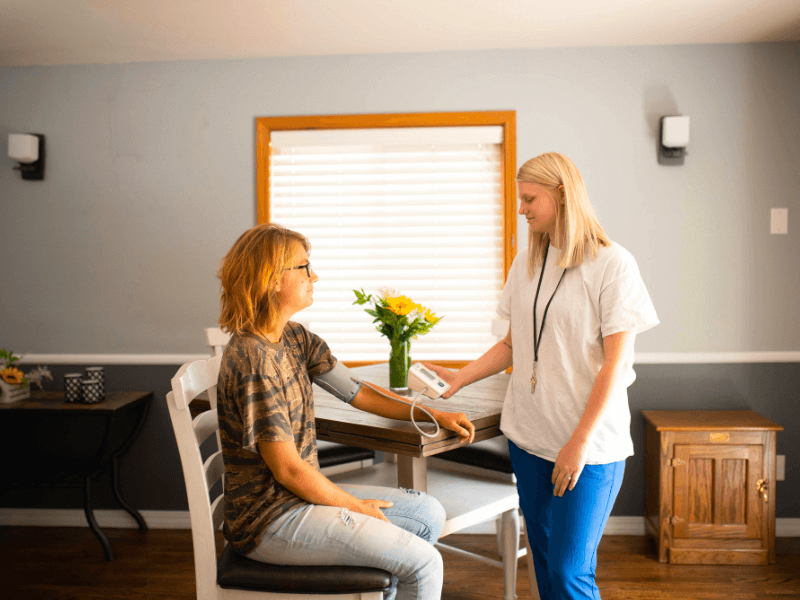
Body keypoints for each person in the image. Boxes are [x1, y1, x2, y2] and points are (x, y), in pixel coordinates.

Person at [424, 152, 659, 600]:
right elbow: (513, 344)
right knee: (547, 564)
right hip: (529, 437)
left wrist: (578, 442)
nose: (521, 209)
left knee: (571, 573)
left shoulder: (614, 265)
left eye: (530, 198)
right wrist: (460, 377)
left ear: (562, 195)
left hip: (587, 448)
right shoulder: (529, 261)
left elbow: (616, 364)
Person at [215, 223, 475, 600]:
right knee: (425, 563)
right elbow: (287, 469)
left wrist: (430, 414)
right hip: (268, 521)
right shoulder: (254, 361)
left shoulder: (294, 336)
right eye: (303, 267)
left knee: (427, 513)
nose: (314, 275)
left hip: (294, 499)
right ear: (272, 280)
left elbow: (356, 391)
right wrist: (356, 507)